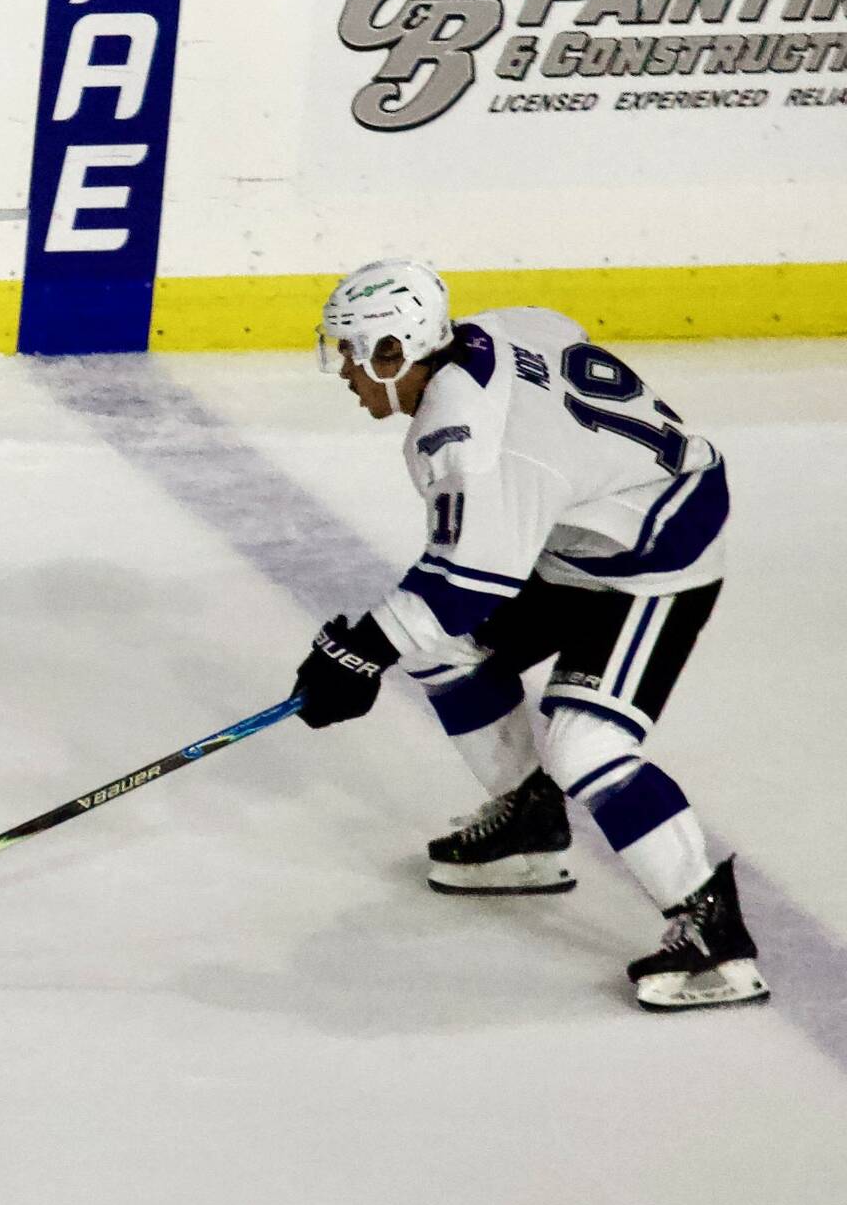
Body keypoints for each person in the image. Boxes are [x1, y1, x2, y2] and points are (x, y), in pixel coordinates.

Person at [289, 259, 768, 1013]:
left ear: (396, 353)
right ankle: (528, 821)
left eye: (354, 351)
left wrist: (359, 655)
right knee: (439, 646)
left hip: (657, 559)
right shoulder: (502, 328)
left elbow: (467, 582)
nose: (344, 368)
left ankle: (714, 929)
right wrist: (373, 648)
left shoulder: (466, 441)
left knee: (586, 744)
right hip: (581, 542)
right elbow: (562, 340)